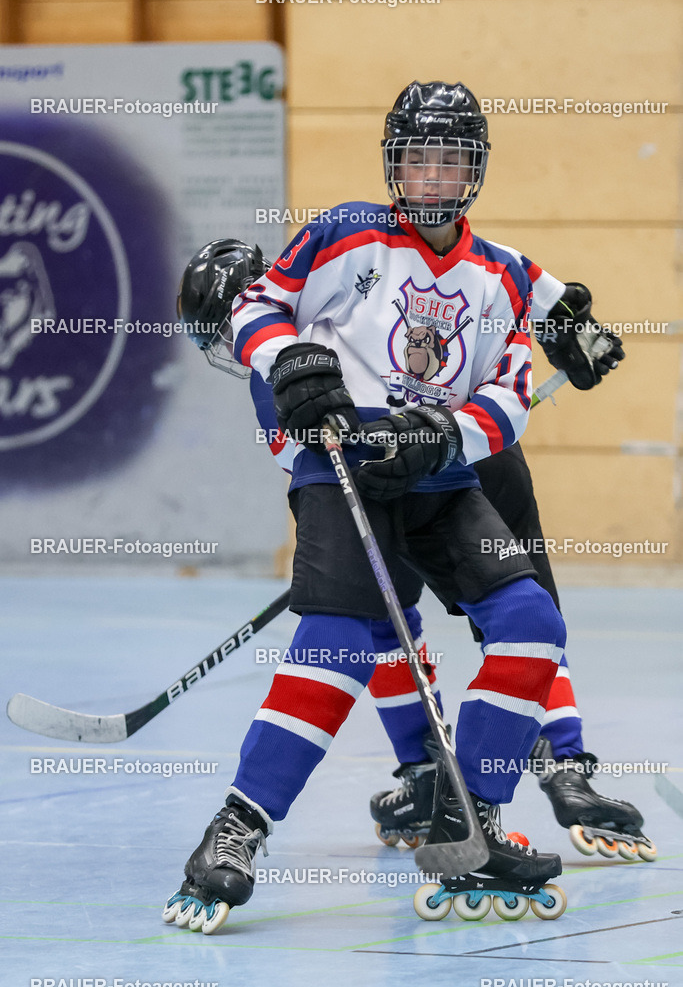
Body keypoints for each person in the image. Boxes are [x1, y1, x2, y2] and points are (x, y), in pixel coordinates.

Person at [163, 80, 598, 935]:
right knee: (338, 643)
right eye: (416, 157)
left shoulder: (498, 275)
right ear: (392, 163)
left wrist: (441, 438)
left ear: (473, 170)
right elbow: (257, 307)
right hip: (340, 472)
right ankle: (237, 829)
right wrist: (291, 360)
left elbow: (507, 399)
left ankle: (466, 816)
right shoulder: (343, 231)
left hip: (439, 480)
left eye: (449, 159)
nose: (431, 175)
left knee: (530, 625)